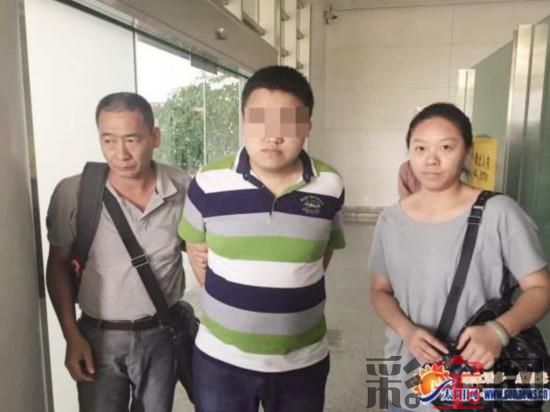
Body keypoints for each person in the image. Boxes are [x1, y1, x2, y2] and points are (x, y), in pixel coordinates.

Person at [179, 65, 346, 412]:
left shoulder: (330, 184)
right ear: (244, 120)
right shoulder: (208, 181)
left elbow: (320, 256)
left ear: (307, 127)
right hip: (221, 360)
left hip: (302, 360)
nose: (273, 136)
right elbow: (197, 252)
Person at [369, 102, 550, 412]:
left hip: (476, 376)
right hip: (407, 373)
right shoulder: (391, 219)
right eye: (420, 148)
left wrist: (499, 331)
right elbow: (379, 291)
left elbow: (541, 289)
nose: (431, 159)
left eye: (446, 147)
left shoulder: (499, 212)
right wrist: (407, 331)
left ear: (467, 151)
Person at [46, 92, 191, 412]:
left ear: (155, 137)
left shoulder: (182, 188)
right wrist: (71, 336)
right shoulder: (75, 192)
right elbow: (57, 265)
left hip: (161, 335)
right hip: (98, 337)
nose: (120, 153)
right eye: (108, 140)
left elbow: (199, 250)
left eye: (132, 140)